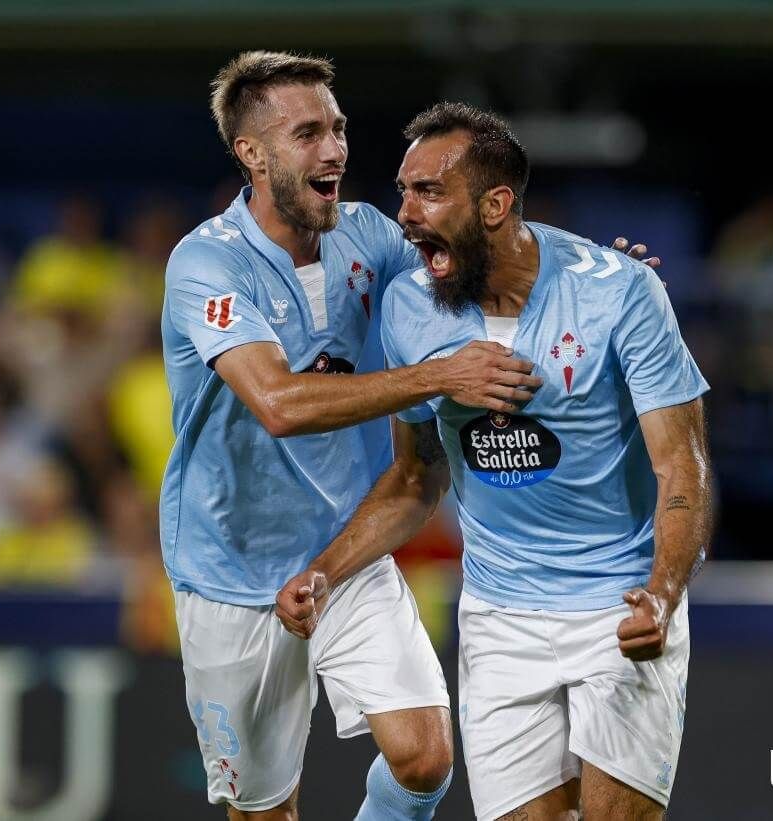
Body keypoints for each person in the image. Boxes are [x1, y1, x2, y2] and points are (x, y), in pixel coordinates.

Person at [275, 103, 712, 820]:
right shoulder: (409, 309)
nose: (406, 213)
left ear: (496, 205)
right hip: (500, 619)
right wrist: (325, 571)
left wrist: (663, 590)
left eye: (429, 192)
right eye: (403, 189)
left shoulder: (620, 291)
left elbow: (682, 467)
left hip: (620, 605)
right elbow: (416, 479)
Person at [162, 51, 545, 820]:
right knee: (265, 809)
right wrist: (438, 378)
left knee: (426, 755)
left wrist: (579, 277)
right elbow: (277, 402)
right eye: (307, 133)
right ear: (251, 152)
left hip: (347, 549)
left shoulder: (370, 236)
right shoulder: (206, 263)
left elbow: (470, 271)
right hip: (233, 573)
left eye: (337, 127)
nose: (334, 148)